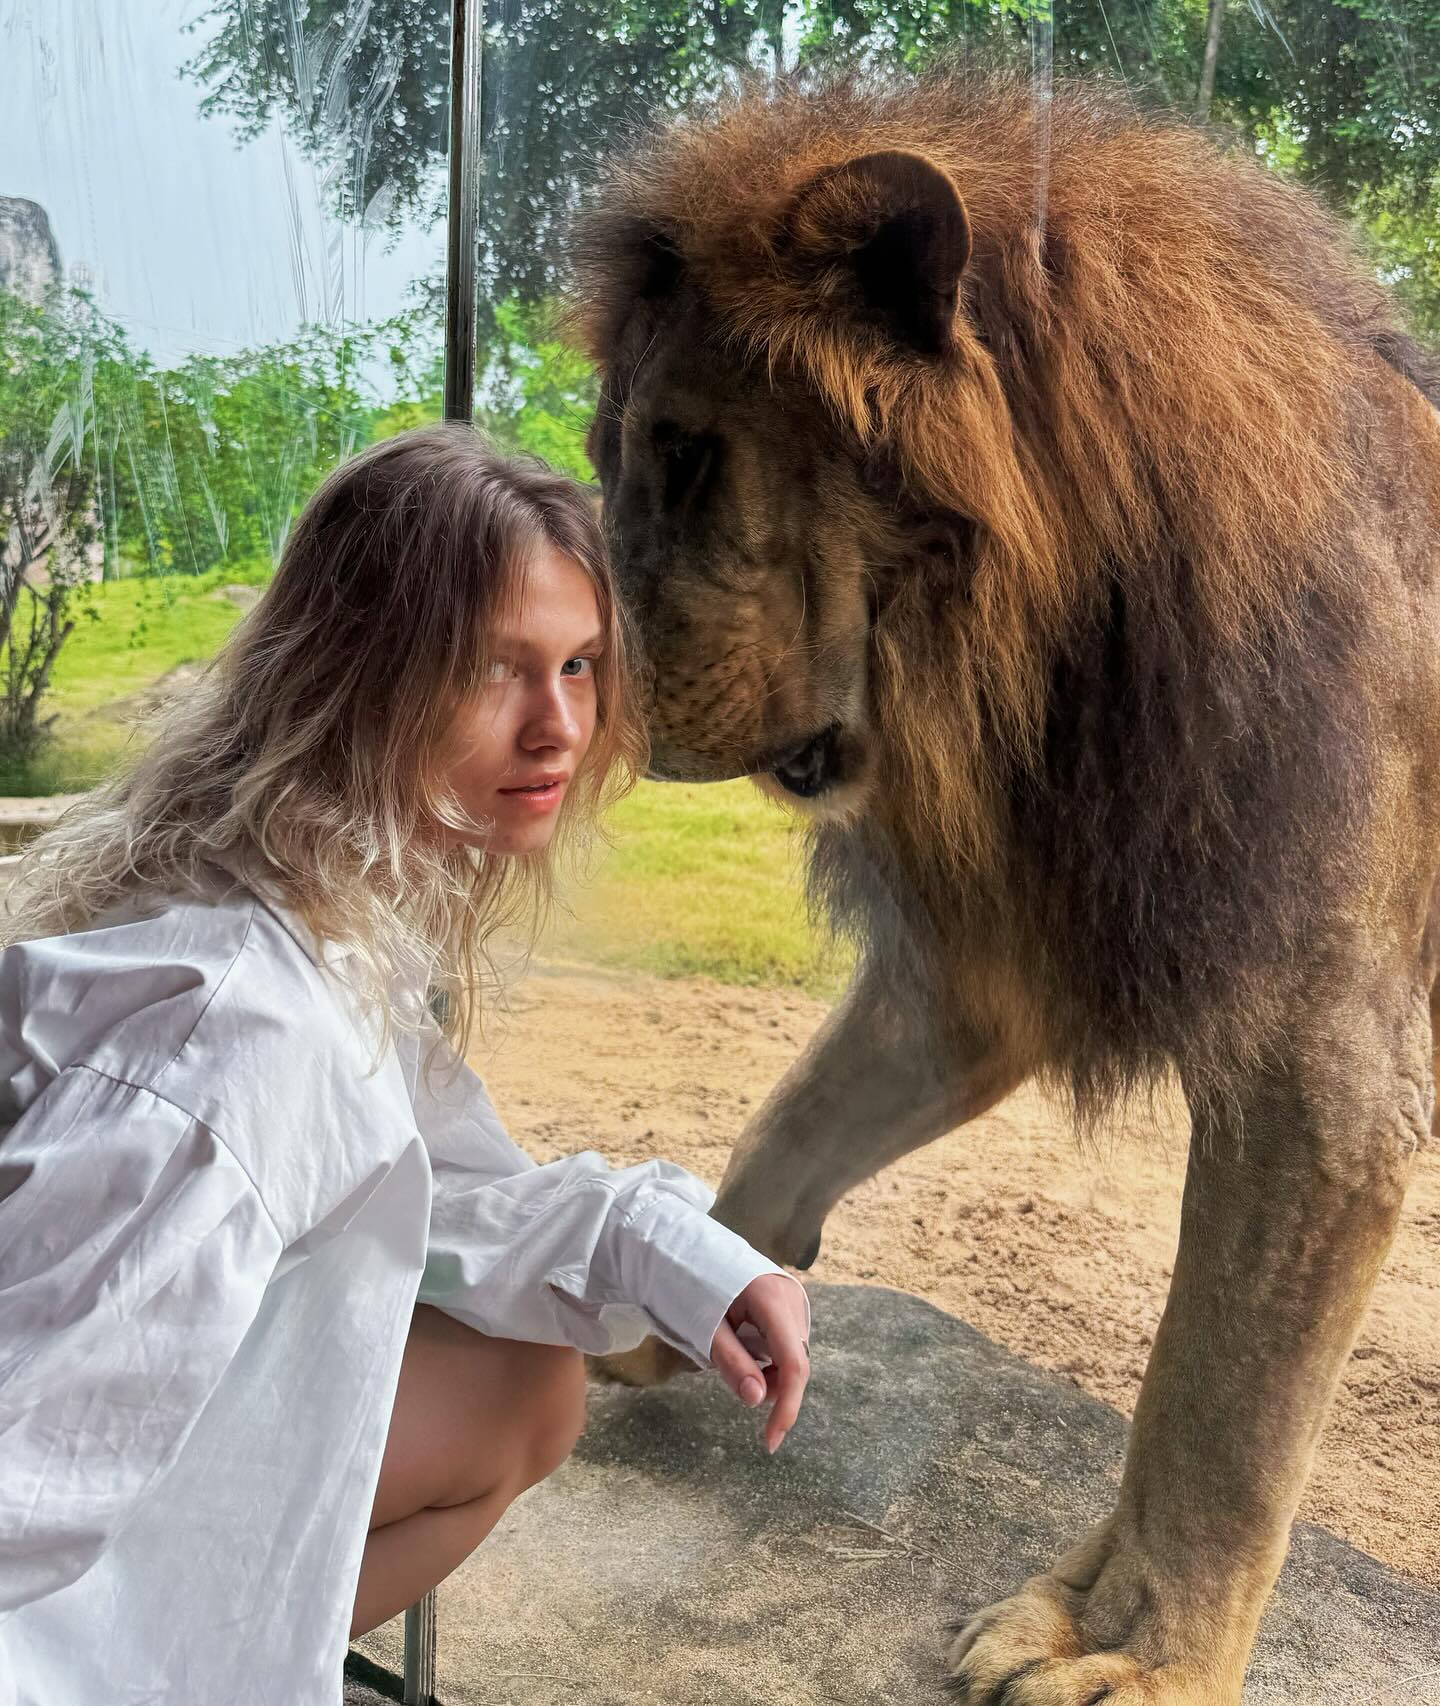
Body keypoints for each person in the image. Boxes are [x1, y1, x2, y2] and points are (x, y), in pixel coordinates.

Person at [0, 424, 810, 1706]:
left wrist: (681, 1253)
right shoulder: (235, 1037)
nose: (558, 726)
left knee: (531, 1382)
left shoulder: (323, 909)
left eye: (582, 665)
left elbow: (435, 1189)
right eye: (497, 668)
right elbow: (22, 1457)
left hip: (148, 1493)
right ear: (363, 674)